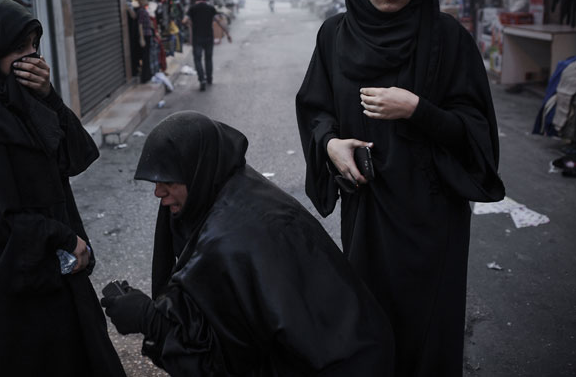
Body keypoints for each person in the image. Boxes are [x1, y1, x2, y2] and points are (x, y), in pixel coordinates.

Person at [295, 0, 505, 377]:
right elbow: (316, 108)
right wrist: (330, 144)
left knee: (430, 335)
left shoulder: (448, 39)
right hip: (367, 210)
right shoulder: (334, 36)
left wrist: (417, 109)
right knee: (370, 325)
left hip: (433, 218)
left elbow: (477, 135)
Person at [100, 111, 395, 377]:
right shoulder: (237, 186)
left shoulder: (229, 239)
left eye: (168, 180)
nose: (158, 193)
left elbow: (221, 360)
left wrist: (150, 320)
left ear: (198, 170)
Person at [0, 0, 126, 377]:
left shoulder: (19, 101)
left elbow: (77, 155)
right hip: (23, 290)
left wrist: (50, 97)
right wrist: (63, 237)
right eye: (18, 48)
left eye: (33, 45)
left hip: (53, 269)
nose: (31, 58)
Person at [183, 0, 232, 91]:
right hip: (209, 37)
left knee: (197, 59)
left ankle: (202, 80)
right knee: (208, 59)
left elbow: (184, 20)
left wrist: (190, 24)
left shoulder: (192, 9)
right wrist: (227, 34)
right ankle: (209, 78)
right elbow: (219, 21)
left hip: (197, 38)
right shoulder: (210, 8)